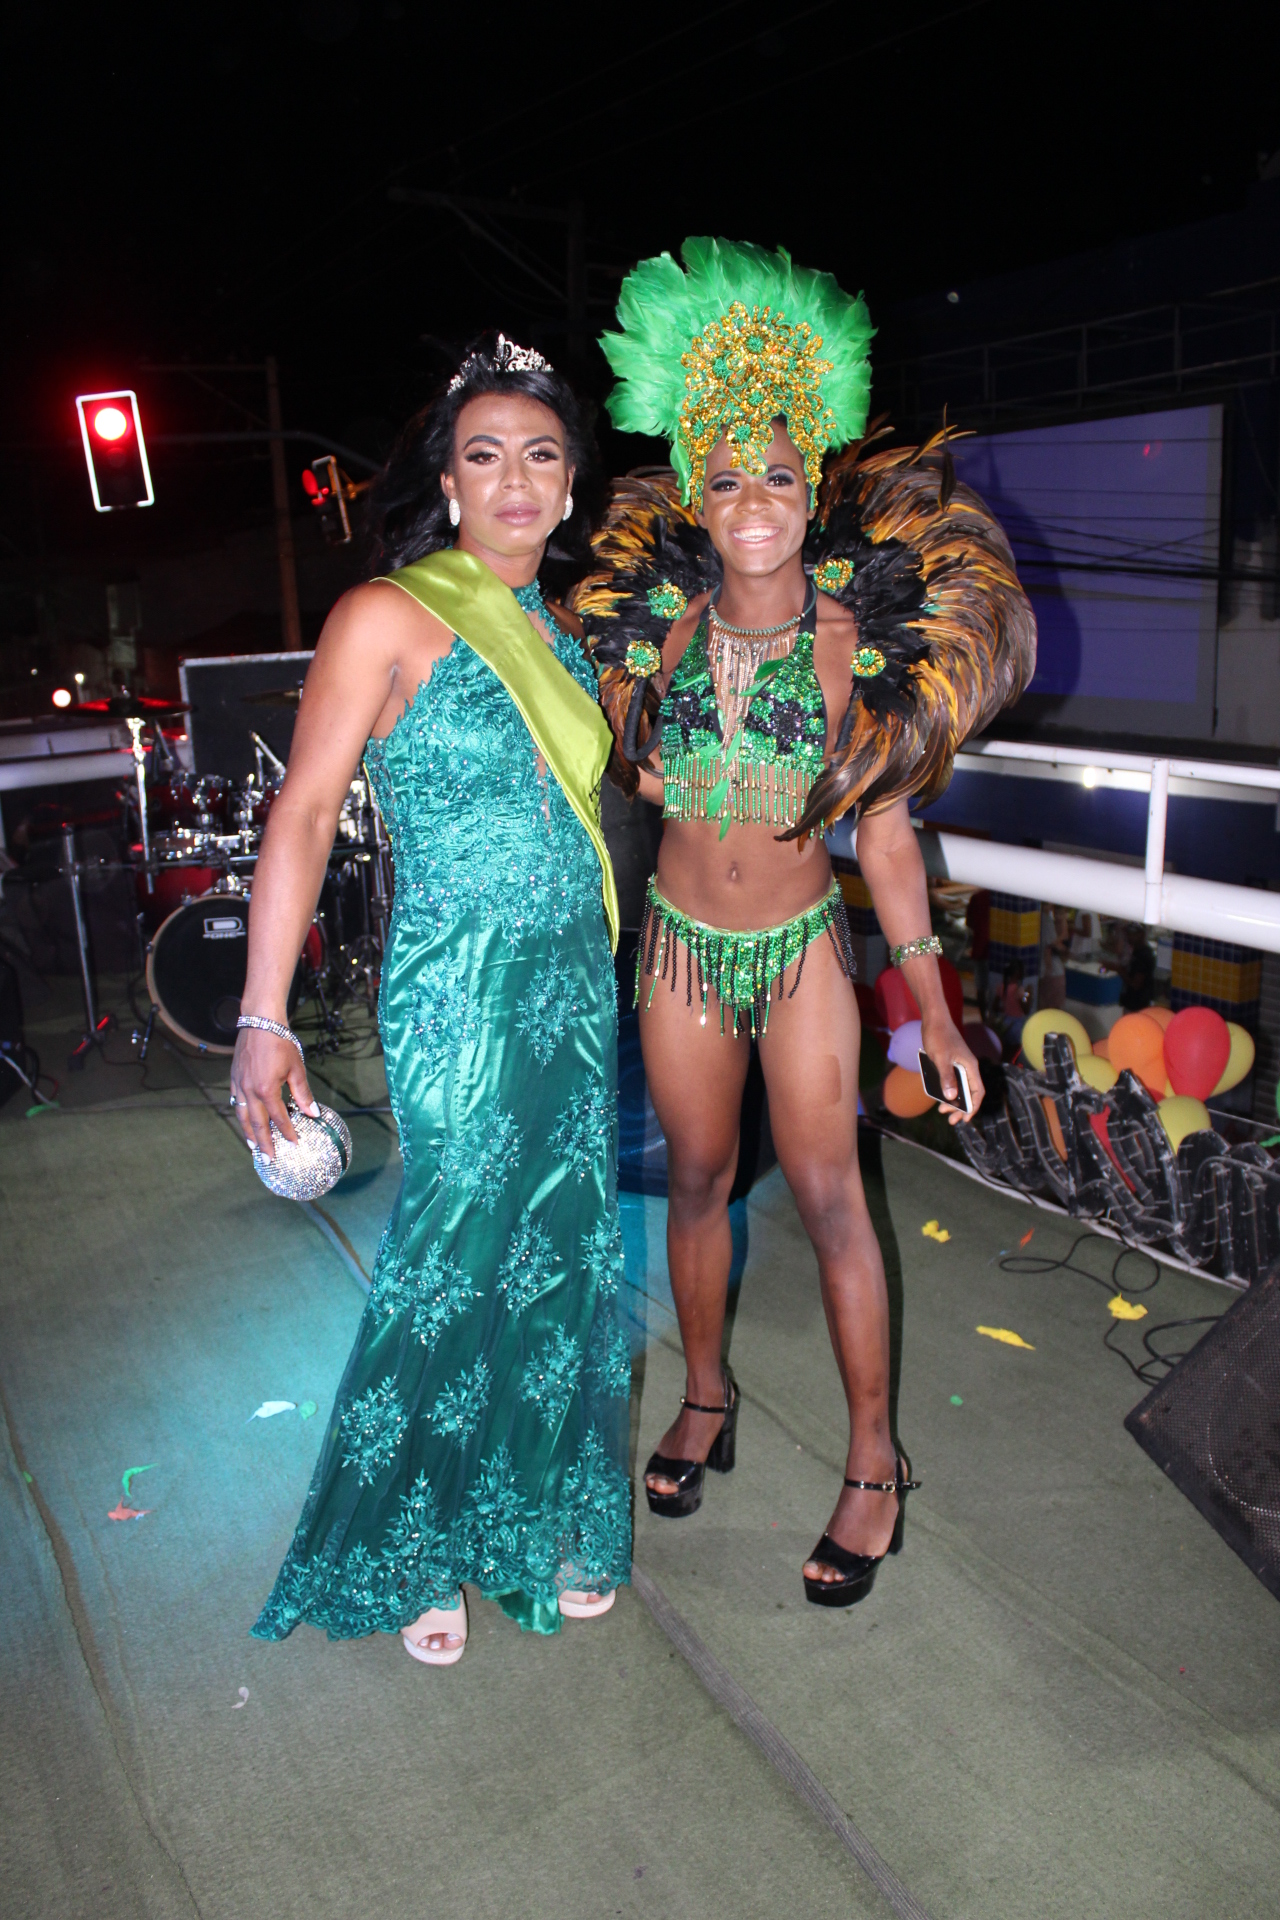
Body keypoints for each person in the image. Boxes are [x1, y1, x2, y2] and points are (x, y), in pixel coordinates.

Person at [573, 239, 1036, 1606]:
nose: (753, 502)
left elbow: (883, 835)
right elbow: (636, 775)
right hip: (677, 949)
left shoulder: (858, 642)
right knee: (697, 1181)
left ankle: (875, 1463)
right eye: (726, 480)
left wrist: (934, 1012)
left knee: (834, 1200)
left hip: (801, 960)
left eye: (777, 474)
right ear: (696, 495)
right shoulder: (655, 633)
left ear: (809, 483)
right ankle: (705, 1396)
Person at [235, 333, 631, 1666]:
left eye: (541, 456)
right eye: (486, 456)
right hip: (458, 988)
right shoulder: (386, 615)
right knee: (453, 1251)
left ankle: (528, 1511)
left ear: (569, 488)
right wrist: (263, 1015)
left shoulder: (567, 639)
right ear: (449, 483)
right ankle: (411, 1542)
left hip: (573, 988)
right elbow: (302, 814)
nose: (515, 480)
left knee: (560, 1250)